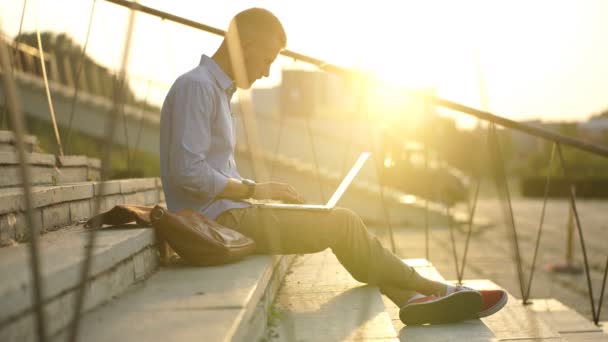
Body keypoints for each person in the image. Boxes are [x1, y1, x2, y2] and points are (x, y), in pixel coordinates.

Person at [159, 7, 507, 325]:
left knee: (335, 219)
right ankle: (438, 288)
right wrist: (253, 189)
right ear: (245, 44)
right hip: (216, 222)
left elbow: (207, 169)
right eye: (266, 60)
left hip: (229, 214)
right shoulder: (197, 87)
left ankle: (412, 298)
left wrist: (254, 192)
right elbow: (187, 172)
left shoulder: (216, 91)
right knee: (342, 222)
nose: (266, 72)